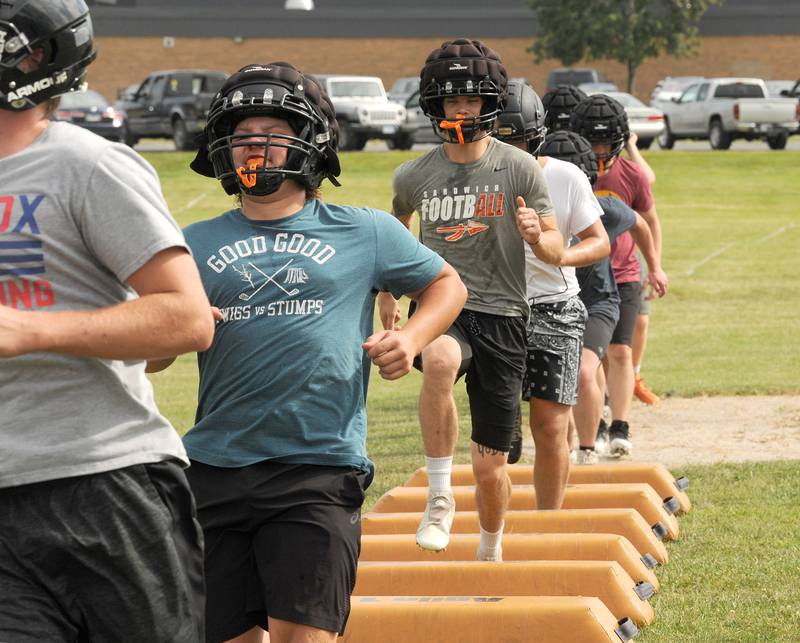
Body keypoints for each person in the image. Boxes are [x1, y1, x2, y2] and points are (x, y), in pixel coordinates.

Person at [148, 62, 466, 643]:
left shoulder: (364, 230)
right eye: (242, 136)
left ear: (310, 144)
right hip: (214, 467)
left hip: (316, 465)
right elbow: (150, 356)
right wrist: (173, 329)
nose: (255, 148)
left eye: (273, 135)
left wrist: (412, 337)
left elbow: (448, 284)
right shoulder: (191, 243)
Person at [0, 1, 215, 641]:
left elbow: (186, 317)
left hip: (104, 483)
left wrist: (32, 331)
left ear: (37, 56)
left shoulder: (87, 164)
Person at [381, 39, 563, 559]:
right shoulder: (413, 174)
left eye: (472, 101)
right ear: (435, 107)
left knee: (490, 469)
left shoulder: (520, 168)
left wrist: (534, 234)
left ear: (489, 104)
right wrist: (388, 293)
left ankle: (491, 546)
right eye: (451, 101)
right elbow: (396, 234)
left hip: (505, 314)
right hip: (444, 305)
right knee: (437, 358)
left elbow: (555, 249)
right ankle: (439, 497)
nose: (462, 110)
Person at [494, 82, 609, 508]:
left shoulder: (565, 175)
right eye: (499, 141)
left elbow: (599, 241)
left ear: (536, 136)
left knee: (550, 425)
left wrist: (561, 255)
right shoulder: (475, 177)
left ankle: (548, 521)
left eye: (519, 141)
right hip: (494, 308)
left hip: (554, 307)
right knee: (499, 432)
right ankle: (497, 527)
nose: (512, 152)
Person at [536, 132, 667, 464]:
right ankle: (563, 451)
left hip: (597, 302)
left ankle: (587, 448)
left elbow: (641, 223)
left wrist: (654, 266)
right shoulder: (528, 204)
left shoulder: (602, 208)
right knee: (556, 384)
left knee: (582, 371)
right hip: (550, 304)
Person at [569, 94, 666, 456]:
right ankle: (595, 424)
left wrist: (654, 265)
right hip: (581, 278)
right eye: (591, 142)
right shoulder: (572, 171)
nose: (598, 150)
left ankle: (621, 425)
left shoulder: (632, 174)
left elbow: (646, 221)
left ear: (619, 140)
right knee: (590, 358)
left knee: (620, 352)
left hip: (623, 273)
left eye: (605, 142)